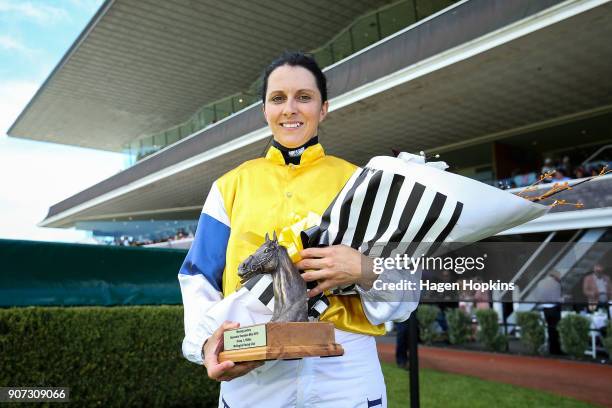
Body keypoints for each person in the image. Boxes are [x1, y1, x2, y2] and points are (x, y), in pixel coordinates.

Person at [178, 51, 418, 407]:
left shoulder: (362, 184)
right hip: (254, 378)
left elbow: (407, 286)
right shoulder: (229, 187)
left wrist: (363, 269)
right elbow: (199, 279)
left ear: (323, 108)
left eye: (304, 97)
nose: (290, 108)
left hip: (345, 375)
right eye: (278, 98)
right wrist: (205, 344)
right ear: (265, 110)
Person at [531, 270, 563, 354]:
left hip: (544, 308)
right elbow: (557, 299)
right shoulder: (556, 284)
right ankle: (555, 349)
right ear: (555, 276)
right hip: (554, 308)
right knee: (555, 330)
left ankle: (550, 348)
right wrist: (564, 299)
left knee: (549, 329)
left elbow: (537, 296)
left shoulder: (540, 283)